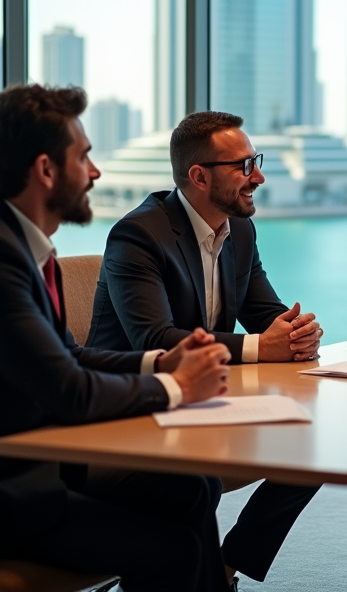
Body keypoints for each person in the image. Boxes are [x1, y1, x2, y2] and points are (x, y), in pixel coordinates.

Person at [0, 85, 237, 592]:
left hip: (18, 469)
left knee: (190, 486)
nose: (95, 172)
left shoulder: (16, 245)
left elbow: (69, 356)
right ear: (46, 170)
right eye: (83, 156)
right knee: (173, 549)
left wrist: (160, 363)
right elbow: (68, 390)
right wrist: (181, 389)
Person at [88, 110, 321, 586]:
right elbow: (157, 340)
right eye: (243, 166)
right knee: (197, 478)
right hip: (132, 411)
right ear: (198, 177)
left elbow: (265, 314)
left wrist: (295, 332)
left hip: (205, 401)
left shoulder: (242, 230)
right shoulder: (138, 236)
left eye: (255, 161)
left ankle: (223, 567)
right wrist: (263, 346)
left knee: (313, 447)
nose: (258, 176)